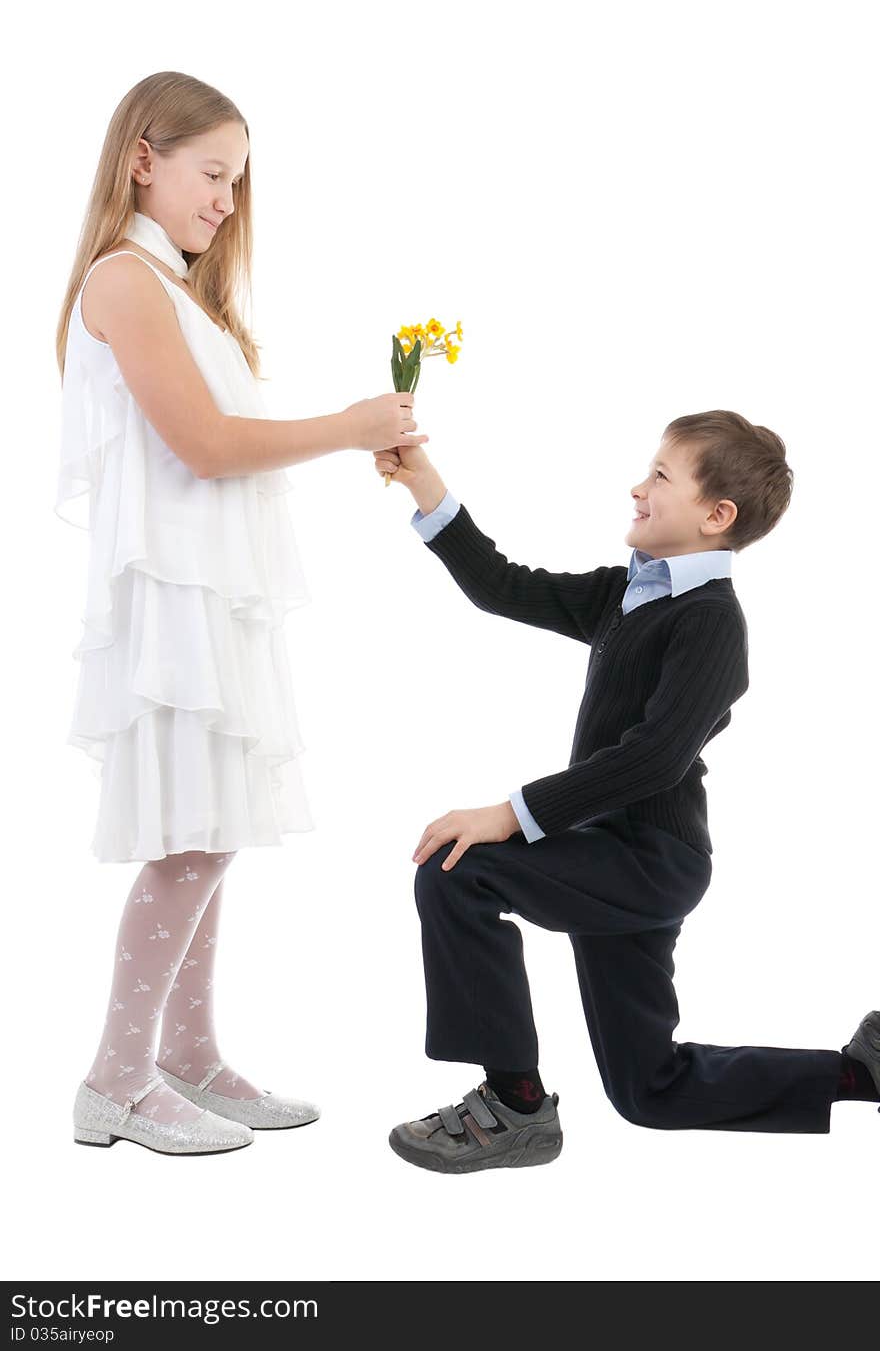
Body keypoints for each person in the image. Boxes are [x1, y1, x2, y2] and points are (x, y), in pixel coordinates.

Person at [55, 71, 427, 1155]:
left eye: (236, 180)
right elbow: (204, 447)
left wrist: (356, 433)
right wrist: (351, 425)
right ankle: (115, 1080)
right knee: (192, 842)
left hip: (206, 601)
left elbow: (219, 451)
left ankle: (188, 1054)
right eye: (212, 173)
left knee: (207, 832)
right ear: (144, 159)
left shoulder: (173, 287)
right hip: (174, 610)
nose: (226, 200)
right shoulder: (124, 280)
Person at [373, 421, 880, 1174]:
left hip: (650, 859)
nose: (638, 488)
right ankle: (860, 1074)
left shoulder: (711, 622)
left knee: (460, 869)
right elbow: (501, 585)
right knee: (651, 1091)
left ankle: (514, 1102)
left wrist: (507, 815)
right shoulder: (626, 594)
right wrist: (423, 482)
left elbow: (653, 758)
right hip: (604, 854)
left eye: (661, 476)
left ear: (717, 516)